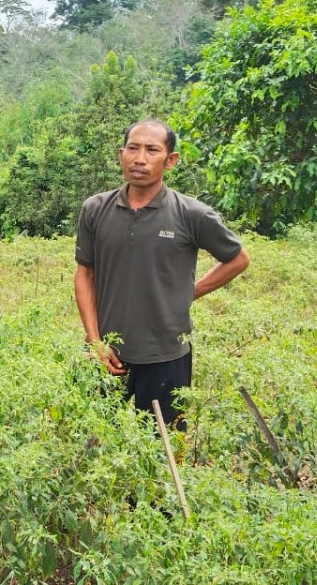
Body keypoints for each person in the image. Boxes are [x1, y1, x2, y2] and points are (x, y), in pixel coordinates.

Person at [74, 120, 249, 429]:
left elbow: (237, 259)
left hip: (166, 356)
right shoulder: (95, 209)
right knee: (92, 443)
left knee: (163, 449)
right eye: (133, 148)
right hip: (107, 354)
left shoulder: (192, 214)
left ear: (171, 160)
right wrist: (94, 342)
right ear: (121, 154)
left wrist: (191, 291)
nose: (140, 158)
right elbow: (84, 273)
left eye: (152, 150)